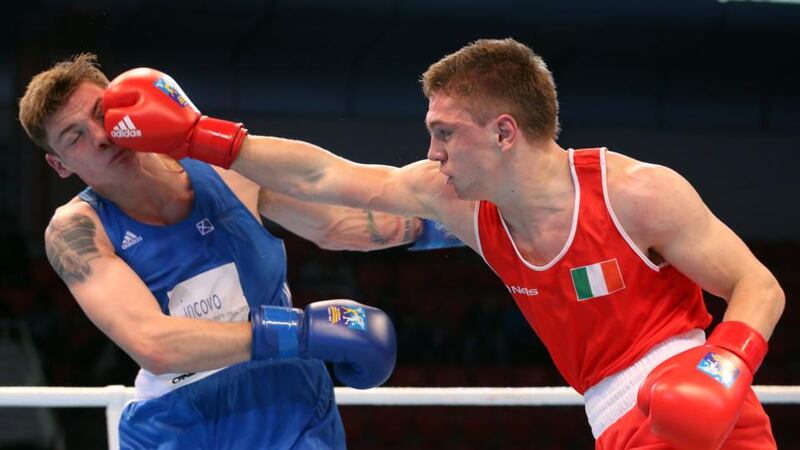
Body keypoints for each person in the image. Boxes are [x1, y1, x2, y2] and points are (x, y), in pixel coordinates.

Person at [99, 38, 785, 449]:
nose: (431, 151)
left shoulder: (636, 191)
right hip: (613, 417)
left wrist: (723, 368)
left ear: (505, 132)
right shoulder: (458, 204)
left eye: (447, 132)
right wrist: (197, 137)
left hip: (701, 389)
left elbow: (759, 286)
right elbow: (327, 175)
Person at [17, 53, 458, 450]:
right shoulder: (76, 229)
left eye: (101, 114)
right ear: (60, 166)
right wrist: (301, 332)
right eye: (74, 137)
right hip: (178, 422)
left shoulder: (222, 168)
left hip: (290, 402)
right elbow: (153, 343)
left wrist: (470, 224)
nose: (99, 137)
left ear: (122, 104)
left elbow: (339, 224)